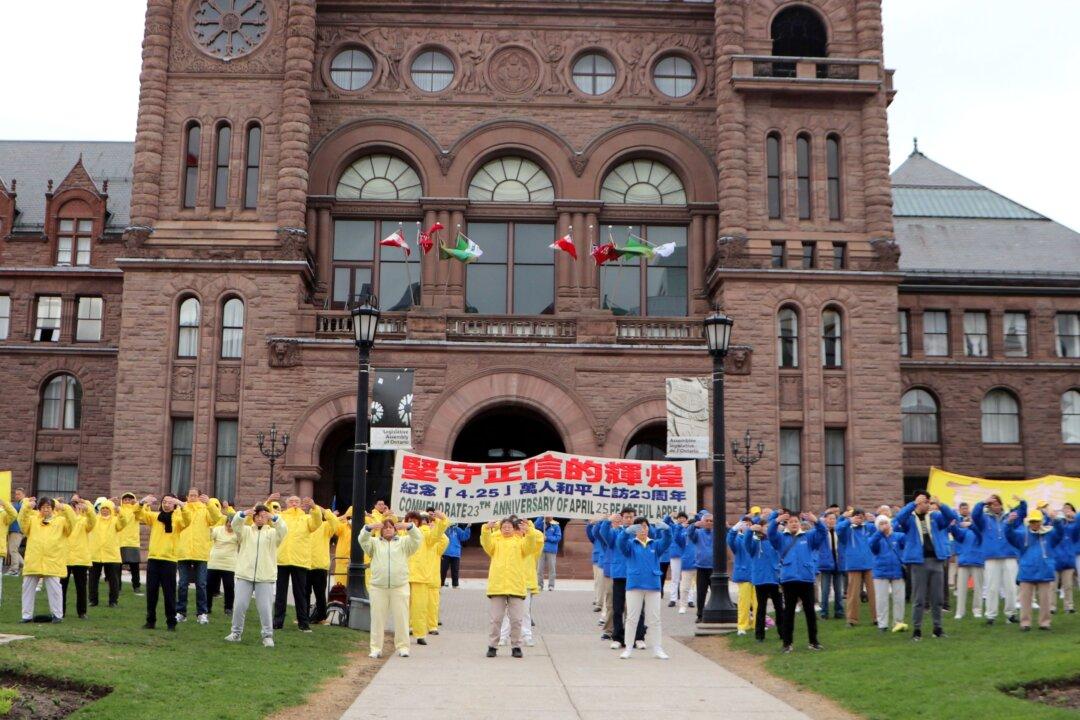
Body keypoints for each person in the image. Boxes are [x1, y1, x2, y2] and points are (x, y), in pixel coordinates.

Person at [893, 491, 959, 641]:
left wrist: (941, 505)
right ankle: (917, 630)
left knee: (938, 598)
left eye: (928, 502)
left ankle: (938, 628)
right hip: (918, 562)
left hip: (936, 560)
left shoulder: (935, 517)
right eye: (924, 502)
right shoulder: (909, 519)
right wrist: (912, 504)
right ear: (918, 502)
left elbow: (952, 517)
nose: (927, 505)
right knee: (919, 598)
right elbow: (898, 519)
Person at [226, 504, 287, 647]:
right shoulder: (246, 531)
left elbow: (283, 529)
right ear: (253, 517)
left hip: (265, 576)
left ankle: (267, 636)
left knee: (265, 608)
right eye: (258, 516)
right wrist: (242, 514)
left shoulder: (272, 533)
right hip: (245, 574)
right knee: (239, 606)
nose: (261, 519)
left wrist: (273, 517)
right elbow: (235, 525)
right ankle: (236, 633)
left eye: (264, 516)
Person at [360, 518, 422, 658]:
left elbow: (417, 539)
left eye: (390, 527)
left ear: (395, 530)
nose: (388, 529)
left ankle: (403, 647)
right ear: (381, 530)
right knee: (377, 619)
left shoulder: (404, 542)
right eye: (385, 527)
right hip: (378, 587)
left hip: (399, 586)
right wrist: (369, 528)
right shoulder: (374, 543)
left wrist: (410, 526)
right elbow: (362, 540)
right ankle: (376, 648)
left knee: (401, 618)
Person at [481, 517, 543, 658]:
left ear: (514, 529)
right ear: (500, 529)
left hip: (516, 586)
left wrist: (530, 531)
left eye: (509, 526)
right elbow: (486, 543)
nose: (507, 529)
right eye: (504, 527)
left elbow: (531, 545)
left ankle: (516, 646)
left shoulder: (520, 543)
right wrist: (485, 529)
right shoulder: (495, 543)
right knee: (496, 619)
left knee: (516, 620)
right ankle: (492, 645)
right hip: (498, 587)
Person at [767, 511, 826, 653]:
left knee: (810, 612)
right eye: (791, 522)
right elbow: (770, 534)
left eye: (796, 522)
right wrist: (776, 521)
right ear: (787, 524)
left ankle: (813, 641)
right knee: (789, 613)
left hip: (806, 578)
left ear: (800, 524)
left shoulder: (808, 536)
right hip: (789, 580)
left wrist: (816, 521)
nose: (794, 524)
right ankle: (787, 644)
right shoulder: (781, 538)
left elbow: (822, 534)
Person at [616, 517, 672, 659]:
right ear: (634, 530)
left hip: (653, 585)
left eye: (645, 527)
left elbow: (667, 541)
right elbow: (619, 543)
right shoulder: (630, 545)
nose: (643, 529)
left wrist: (667, 530)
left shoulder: (655, 545)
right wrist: (626, 532)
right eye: (639, 527)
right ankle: (628, 648)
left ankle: (658, 649)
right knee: (632, 618)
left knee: (655, 618)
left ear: (649, 529)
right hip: (634, 585)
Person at [1004, 508, 1064, 631]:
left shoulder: (1050, 534)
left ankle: (1045, 623)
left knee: (1045, 600)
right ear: (1028, 522)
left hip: (1045, 571)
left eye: (1037, 521)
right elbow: (1009, 535)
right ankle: (1025, 623)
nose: (1034, 523)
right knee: (1025, 601)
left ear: (1041, 521)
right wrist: (1008, 523)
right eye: (1032, 521)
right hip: (1027, 572)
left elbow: (1060, 533)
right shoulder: (1022, 535)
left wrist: (1056, 520)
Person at [18, 497, 77, 622]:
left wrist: (65, 508)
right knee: (27, 588)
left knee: (55, 590)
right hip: (34, 560)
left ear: (53, 508)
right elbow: (22, 524)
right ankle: (26, 616)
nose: (46, 509)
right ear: (39, 509)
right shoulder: (33, 520)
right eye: (43, 507)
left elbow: (72, 522)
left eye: (48, 507)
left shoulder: (61, 521)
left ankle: (57, 615)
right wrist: (26, 507)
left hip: (53, 561)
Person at [137, 494, 191, 630]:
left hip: (169, 560)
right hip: (154, 559)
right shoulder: (155, 517)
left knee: (169, 593)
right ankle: (150, 620)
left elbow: (188, 519)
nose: (166, 504)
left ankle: (171, 622)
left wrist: (182, 505)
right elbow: (139, 515)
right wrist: (142, 502)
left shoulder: (177, 520)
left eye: (169, 502)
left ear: (174, 505)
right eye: (164, 502)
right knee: (151, 592)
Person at [271, 494, 323, 633]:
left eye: (297, 501)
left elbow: (316, 523)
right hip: (282, 559)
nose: (294, 503)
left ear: (300, 504)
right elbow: (268, 517)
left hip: (300, 560)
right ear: (287, 504)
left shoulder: (306, 518)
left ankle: (303, 623)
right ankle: (277, 622)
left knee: (300, 594)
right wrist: (269, 501)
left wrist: (314, 508)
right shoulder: (281, 516)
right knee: (280, 593)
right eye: (291, 501)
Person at [972, 493, 1025, 625]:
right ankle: (991, 615)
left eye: (997, 504)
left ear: (1001, 504)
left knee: (1011, 587)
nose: (995, 506)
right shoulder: (984, 519)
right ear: (989, 506)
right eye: (992, 504)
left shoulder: (1010, 517)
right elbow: (974, 515)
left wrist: (1023, 502)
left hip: (1009, 555)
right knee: (991, 587)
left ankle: (1011, 614)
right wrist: (983, 502)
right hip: (991, 557)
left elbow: (1022, 514)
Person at [600, 507, 646, 649]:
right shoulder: (616, 532)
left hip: (636, 574)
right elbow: (603, 533)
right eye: (626, 517)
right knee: (617, 607)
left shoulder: (640, 533)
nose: (629, 519)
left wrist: (644, 525)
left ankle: (639, 637)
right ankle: (618, 638)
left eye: (631, 517)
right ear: (621, 518)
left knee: (638, 607)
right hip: (620, 573)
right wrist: (608, 521)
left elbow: (653, 538)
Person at [175, 489, 222, 625]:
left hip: (200, 552)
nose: (193, 497)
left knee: (201, 584)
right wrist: (182, 507)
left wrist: (210, 504)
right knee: (183, 584)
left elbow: (216, 518)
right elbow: (179, 523)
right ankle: (181, 612)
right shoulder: (181, 508)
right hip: (184, 551)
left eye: (195, 495)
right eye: (191, 495)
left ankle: (202, 613)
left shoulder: (205, 509)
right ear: (187, 497)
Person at [406, 510, 449, 645]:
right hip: (404, 575)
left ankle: (421, 633)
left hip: (422, 577)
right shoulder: (403, 534)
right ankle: (406, 630)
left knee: (421, 607)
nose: (413, 523)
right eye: (410, 520)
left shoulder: (427, 536)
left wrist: (441, 521)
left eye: (416, 521)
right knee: (404, 606)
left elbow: (442, 538)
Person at [501, 516, 544, 647]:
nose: (519, 531)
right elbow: (498, 532)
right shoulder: (508, 542)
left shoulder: (531, 544)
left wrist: (529, 527)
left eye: (521, 528)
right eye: (517, 528)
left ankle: (527, 636)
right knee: (507, 611)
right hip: (510, 582)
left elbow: (540, 538)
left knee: (525, 612)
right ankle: (503, 636)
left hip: (526, 583)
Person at [744, 510, 783, 643]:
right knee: (761, 608)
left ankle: (783, 633)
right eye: (763, 527)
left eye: (767, 527)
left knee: (779, 607)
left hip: (775, 578)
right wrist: (750, 531)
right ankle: (759, 635)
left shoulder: (775, 541)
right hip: (760, 579)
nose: (765, 529)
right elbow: (746, 545)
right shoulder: (755, 542)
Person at [837, 508, 875, 627]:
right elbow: (838, 529)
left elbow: (879, 532)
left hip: (869, 563)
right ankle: (851, 619)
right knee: (853, 593)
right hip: (854, 564)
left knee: (873, 593)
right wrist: (848, 520)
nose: (859, 518)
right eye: (857, 516)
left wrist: (873, 520)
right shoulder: (847, 530)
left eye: (861, 516)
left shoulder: (869, 527)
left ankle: (878, 618)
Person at [868, 514, 906, 632]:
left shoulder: (899, 536)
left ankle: (898, 622)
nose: (885, 525)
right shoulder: (875, 538)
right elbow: (872, 545)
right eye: (881, 523)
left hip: (897, 571)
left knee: (899, 599)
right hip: (880, 572)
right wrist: (880, 532)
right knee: (881, 599)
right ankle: (882, 624)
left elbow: (906, 544)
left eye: (886, 523)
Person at [61, 495, 96, 620]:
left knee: (81, 587)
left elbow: (93, 522)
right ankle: (61, 611)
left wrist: (88, 509)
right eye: (71, 507)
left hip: (80, 558)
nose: (73, 509)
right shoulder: (62, 521)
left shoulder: (83, 521)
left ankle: (82, 612)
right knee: (62, 587)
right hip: (64, 558)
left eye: (75, 507)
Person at [89, 498, 128, 608]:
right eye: (103, 508)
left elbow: (124, 523)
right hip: (95, 554)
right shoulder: (95, 520)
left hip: (112, 555)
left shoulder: (115, 520)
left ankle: (113, 601)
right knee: (93, 579)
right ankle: (93, 600)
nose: (105, 510)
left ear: (111, 509)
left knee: (113, 580)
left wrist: (120, 512)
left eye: (107, 508)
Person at [949, 506, 984, 620]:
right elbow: (958, 536)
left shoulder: (981, 530)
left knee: (978, 588)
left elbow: (979, 534)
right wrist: (953, 526)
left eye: (972, 519)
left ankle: (977, 610)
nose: (969, 520)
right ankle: (960, 612)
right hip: (964, 562)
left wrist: (971, 525)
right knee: (961, 588)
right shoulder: (965, 531)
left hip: (977, 562)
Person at [308, 508, 340, 624]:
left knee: (320, 593)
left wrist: (324, 511)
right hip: (305, 564)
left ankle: (321, 617)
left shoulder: (326, 526)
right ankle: (303, 616)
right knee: (304, 593)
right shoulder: (307, 525)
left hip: (320, 565)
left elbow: (335, 522)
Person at [728, 517, 756, 636]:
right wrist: (734, 529)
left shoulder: (756, 539)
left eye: (749, 524)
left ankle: (756, 624)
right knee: (744, 602)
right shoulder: (738, 540)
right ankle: (742, 626)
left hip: (756, 575)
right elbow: (729, 540)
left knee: (757, 602)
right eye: (745, 524)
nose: (747, 526)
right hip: (744, 575)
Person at [207, 513, 238, 617]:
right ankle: (207, 607)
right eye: (229, 523)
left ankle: (228, 608)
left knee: (229, 586)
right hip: (214, 562)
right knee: (209, 586)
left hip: (229, 564)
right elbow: (209, 538)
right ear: (226, 522)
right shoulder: (218, 530)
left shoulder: (239, 533)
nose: (230, 526)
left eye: (233, 524)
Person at [816, 511, 844, 620]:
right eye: (830, 518)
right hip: (826, 563)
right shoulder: (822, 532)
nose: (832, 520)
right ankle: (824, 612)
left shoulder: (838, 531)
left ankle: (839, 611)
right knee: (825, 590)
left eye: (834, 518)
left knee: (838, 589)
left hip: (838, 562)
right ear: (825, 520)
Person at [687, 511, 714, 622]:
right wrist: (694, 525)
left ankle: (715, 612)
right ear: (702, 521)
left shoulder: (717, 533)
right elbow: (689, 533)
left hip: (715, 568)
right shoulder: (698, 533)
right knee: (701, 592)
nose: (708, 523)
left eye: (711, 521)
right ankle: (700, 615)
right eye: (706, 521)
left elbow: (729, 533)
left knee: (717, 593)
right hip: (702, 567)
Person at [1052, 504, 1077, 614]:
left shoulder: (1071, 529)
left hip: (1068, 561)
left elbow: (1078, 525)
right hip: (1055, 562)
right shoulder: (1052, 531)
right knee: (1052, 587)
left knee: (1068, 586)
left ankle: (1069, 607)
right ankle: (1051, 607)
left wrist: (1074, 516)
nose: (1062, 522)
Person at [117, 492, 143, 595]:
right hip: (120, 542)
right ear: (122, 500)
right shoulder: (119, 510)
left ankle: (136, 586)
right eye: (125, 499)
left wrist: (138, 504)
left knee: (135, 567)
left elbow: (142, 514)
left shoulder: (135, 510)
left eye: (129, 499)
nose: (127, 501)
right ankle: (117, 587)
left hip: (132, 542)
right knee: (117, 567)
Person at [441, 523, 471, 588]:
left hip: (456, 554)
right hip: (445, 552)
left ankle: (455, 584)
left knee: (455, 570)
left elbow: (464, 537)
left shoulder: (457, 529)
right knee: (443, 570)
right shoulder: (445, 529)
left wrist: (467, 528)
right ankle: (441, 583)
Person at [586, 518, 606, 612]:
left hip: (609, 560)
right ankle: (599, 601)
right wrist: (592, 524)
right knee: (598, 582)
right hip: (598, 559)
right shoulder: (597, 534)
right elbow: (593, 533)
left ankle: (602, 600)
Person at [537, 516, 561, 590]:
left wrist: (548, 538)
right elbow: (536, 525)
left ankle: (551, 585)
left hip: (551, 550)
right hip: (541, 549)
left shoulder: (556, 525)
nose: (548, 516)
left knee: (552, 569)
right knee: (539, 569)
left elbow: (558, 537)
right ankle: (539, 585)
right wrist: (541, 517)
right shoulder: (541, 524)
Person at [6, 488, 25, 575]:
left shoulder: (24, 502)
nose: (16, 496)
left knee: (13, 550)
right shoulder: (16, 503)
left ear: (23, 494)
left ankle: (14, 570)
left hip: (17, 530)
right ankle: (26, 567)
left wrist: (6, 504)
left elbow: (14, 509)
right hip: (13, 529)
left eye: (19, 494)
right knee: (14, 550)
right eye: (16, 494)